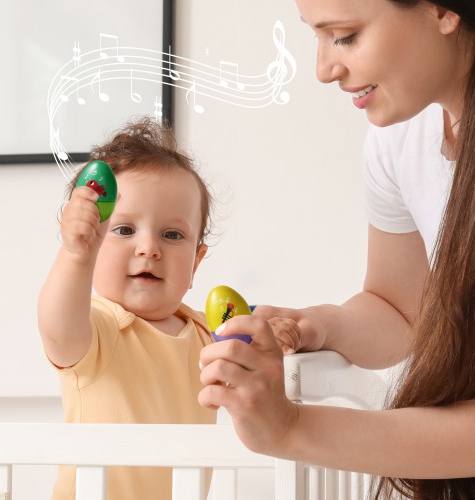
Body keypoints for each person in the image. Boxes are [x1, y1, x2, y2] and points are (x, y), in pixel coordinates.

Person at [198, 0, 475, 498]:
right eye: (316, 37)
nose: (324, 70)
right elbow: (400, 311)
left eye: (344, 36)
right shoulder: (399, 140)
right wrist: (314, 325)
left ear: (442, 11)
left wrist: (290, 429)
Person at [38, 117, 215, 500]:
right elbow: (57, 328)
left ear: (196, 263)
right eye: (123, 230)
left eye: (172, 234)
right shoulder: (101, 327)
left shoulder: (207, 335)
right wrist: (75, 256)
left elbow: (258, 374)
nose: (148, 248)